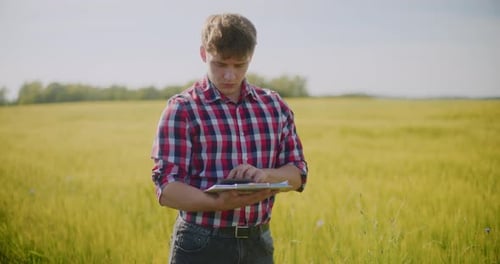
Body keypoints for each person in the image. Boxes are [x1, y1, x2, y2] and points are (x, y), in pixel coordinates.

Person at [150, 13, 308, 264]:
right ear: (204, 54)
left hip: (259, 242)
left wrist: (265, 175)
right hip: (200, 243)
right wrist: (218, 203)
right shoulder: (183, 108)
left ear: (251, 58)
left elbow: (298, 173)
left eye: (240, 65)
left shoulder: (274, 105)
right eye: (221, 64)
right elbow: (167, 189)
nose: (230, 76)